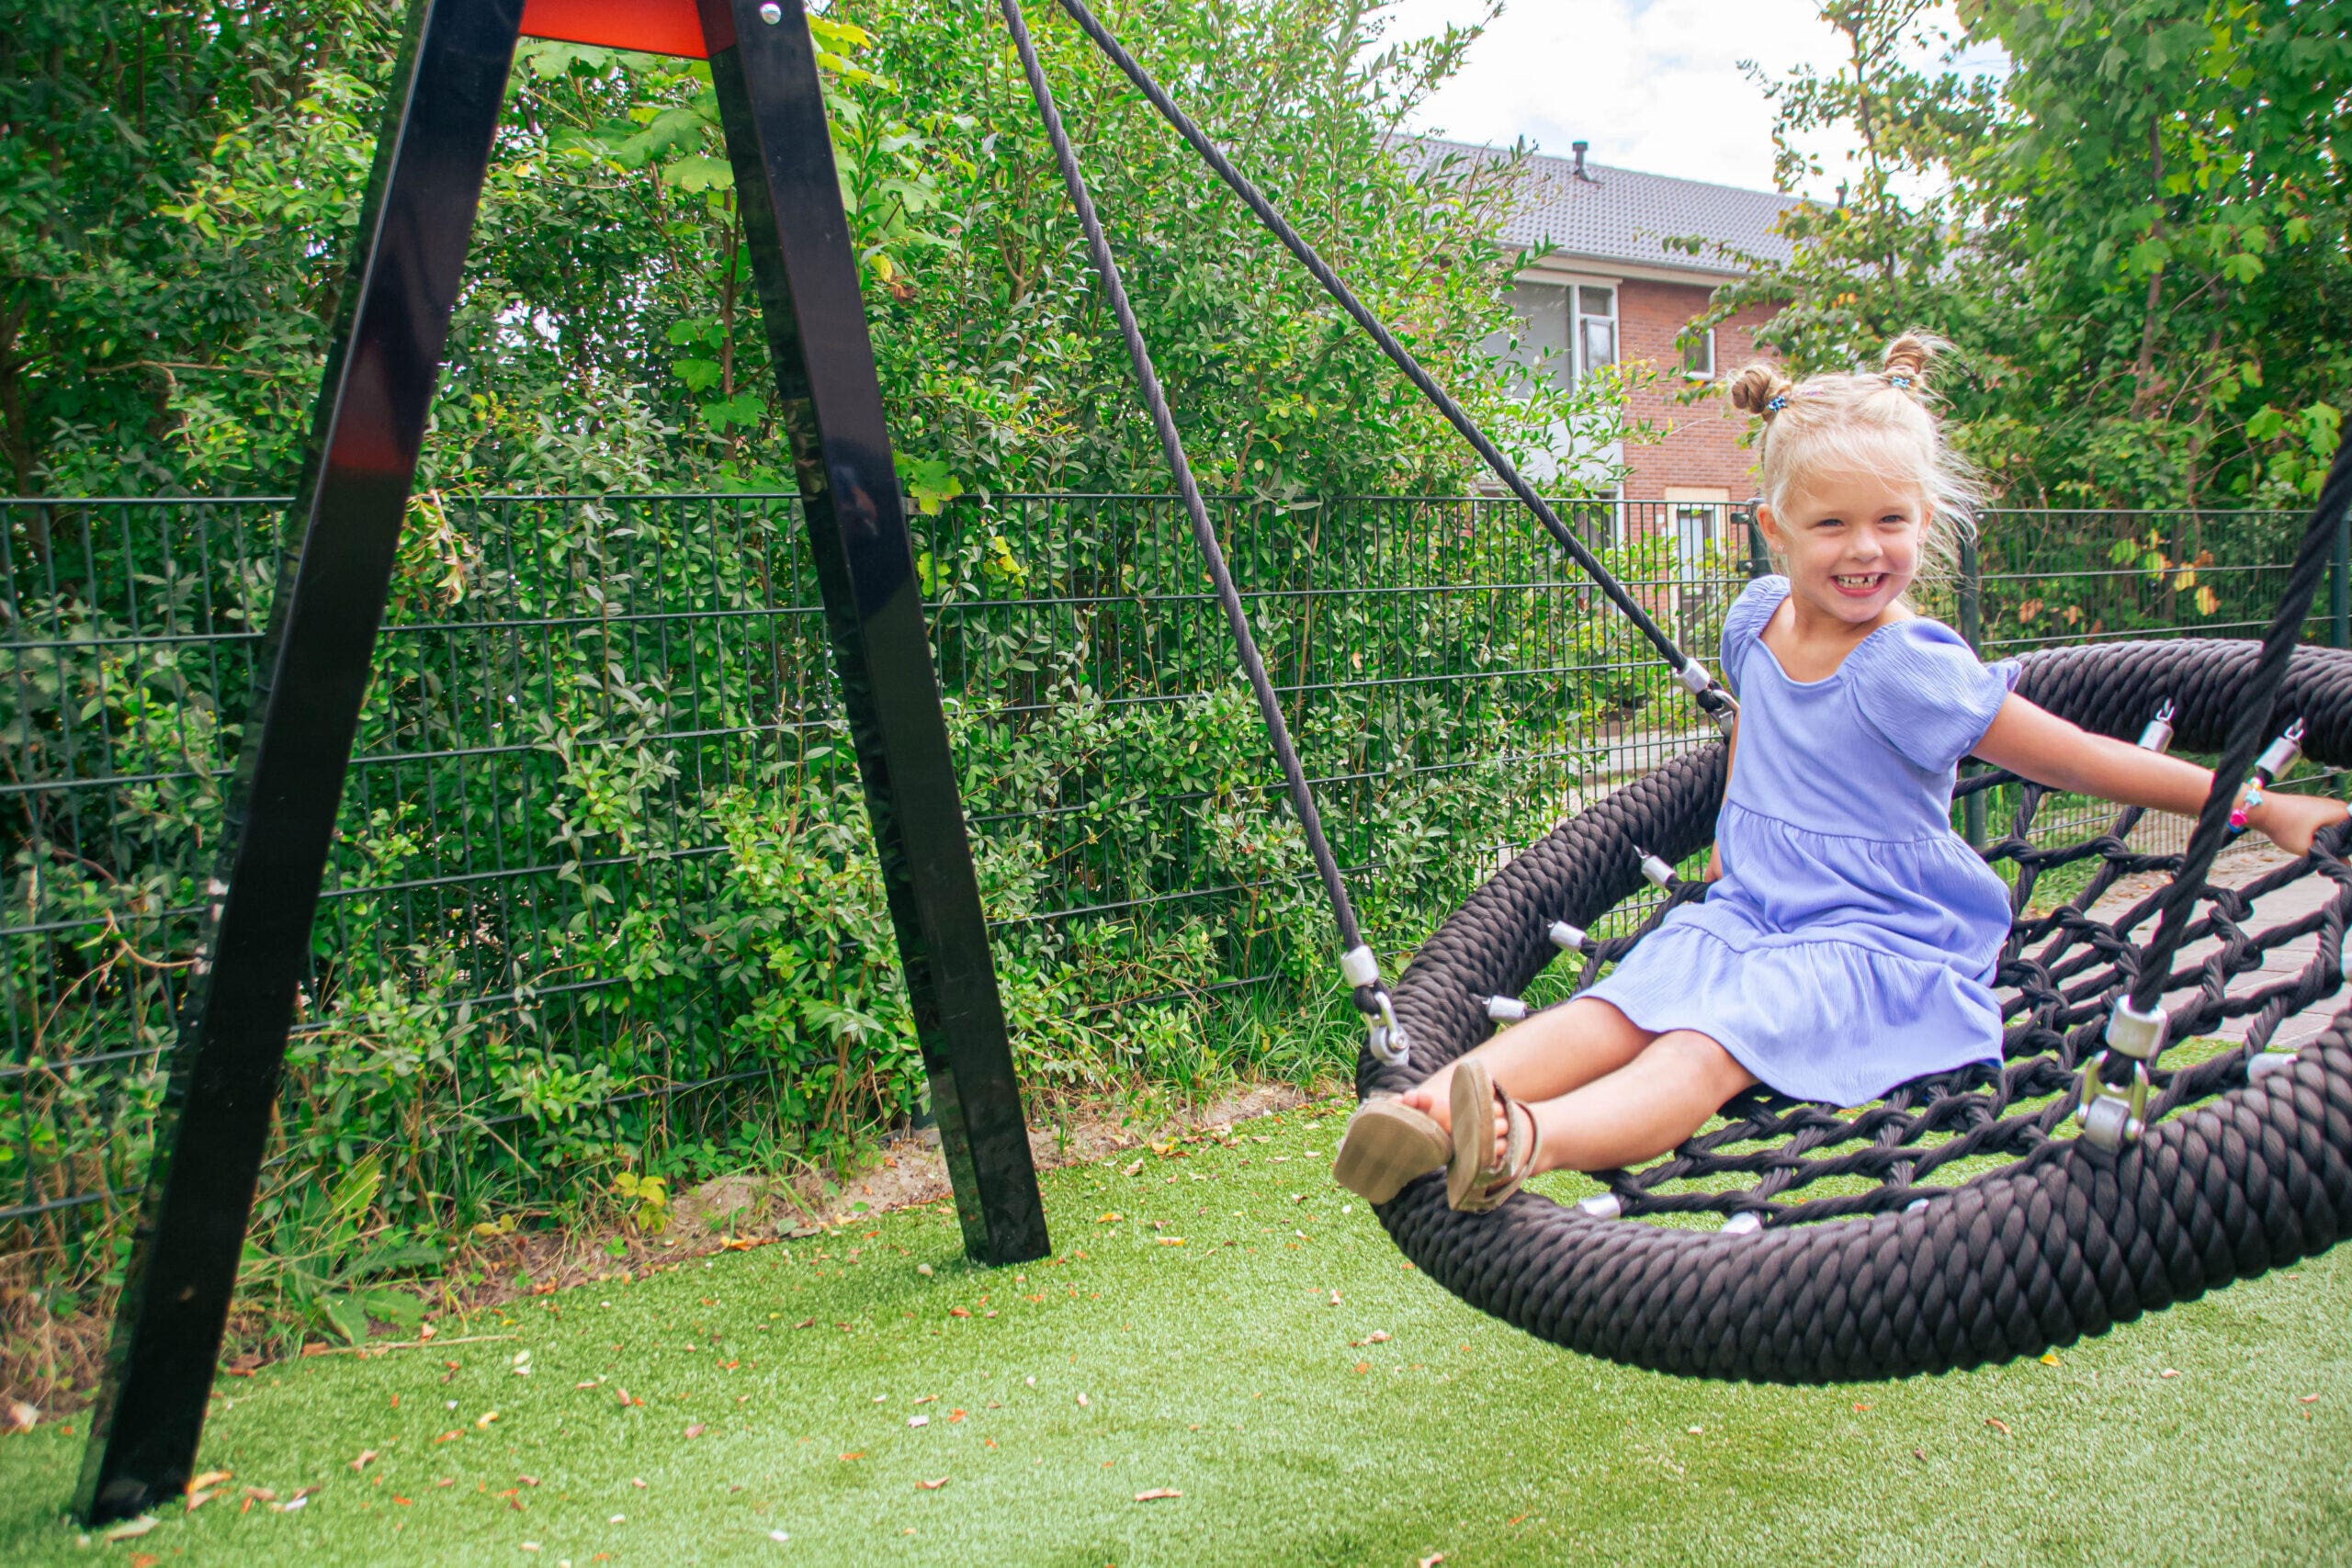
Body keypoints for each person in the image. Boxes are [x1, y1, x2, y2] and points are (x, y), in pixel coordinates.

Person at [1332, 332, 2349, 1213]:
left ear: (1925, 521)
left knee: (1699, 1048)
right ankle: (1429, 1108)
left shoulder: (1908, 667)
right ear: (1774, 530)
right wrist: (1730, 830)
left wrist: (2256, 806)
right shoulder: (1754, 622)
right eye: (1831, 526)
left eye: (1890, 522)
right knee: (1615, 1006)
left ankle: (1520, 1142)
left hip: (1875, 935)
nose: (1865, 551)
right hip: (1757, 909)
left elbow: (2082, 761)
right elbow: (1752, 732)